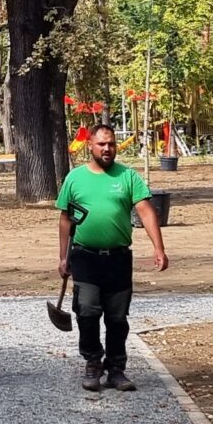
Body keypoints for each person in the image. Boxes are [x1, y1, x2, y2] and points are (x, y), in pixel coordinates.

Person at [55, 125, 168, 392]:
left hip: (118, 259)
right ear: (90, 146)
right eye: (102, 144)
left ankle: (116, 368)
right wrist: (63, 257)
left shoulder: (128, 177)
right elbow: (65, 219)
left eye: (112, 144)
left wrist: (159, 248)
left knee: (117, 318)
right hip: (85, 257)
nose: (107, 149)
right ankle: (93, 362)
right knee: (86, 312)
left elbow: (146, 211)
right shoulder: (75, 179)